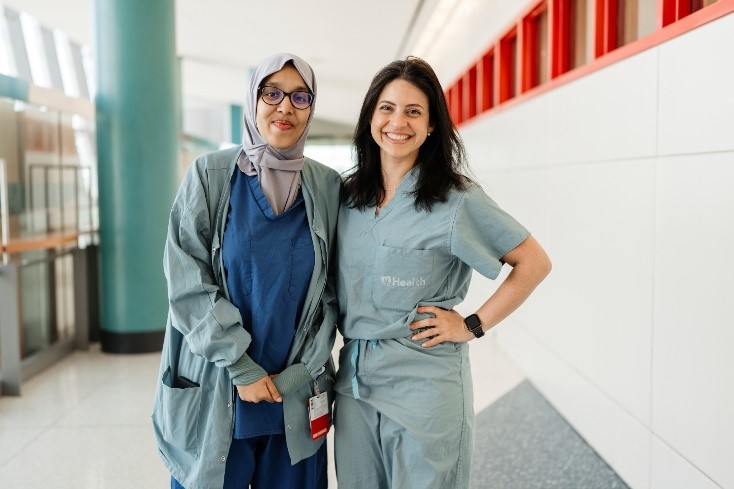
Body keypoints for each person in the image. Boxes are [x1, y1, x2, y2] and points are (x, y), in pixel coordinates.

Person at [334, 56, 552, 489]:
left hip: (424, 385)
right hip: (354, 386)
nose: (399, 122)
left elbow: (534, 262)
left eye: (414, 111)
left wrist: (472, 324)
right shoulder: (346, 196)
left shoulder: (456, 199)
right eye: (387, 108)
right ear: (370, 117)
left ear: (432, 125)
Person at [152, 53, 341, 489]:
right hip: (219, 385)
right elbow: (185, 279)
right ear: (253, 102)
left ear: (312, 108)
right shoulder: (210, 176)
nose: (285, 107)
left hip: (294, 394)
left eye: (299, 96)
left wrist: (300, 372)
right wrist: (240, 365)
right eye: (271, 93)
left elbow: (332, 294)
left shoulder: (327, 187)